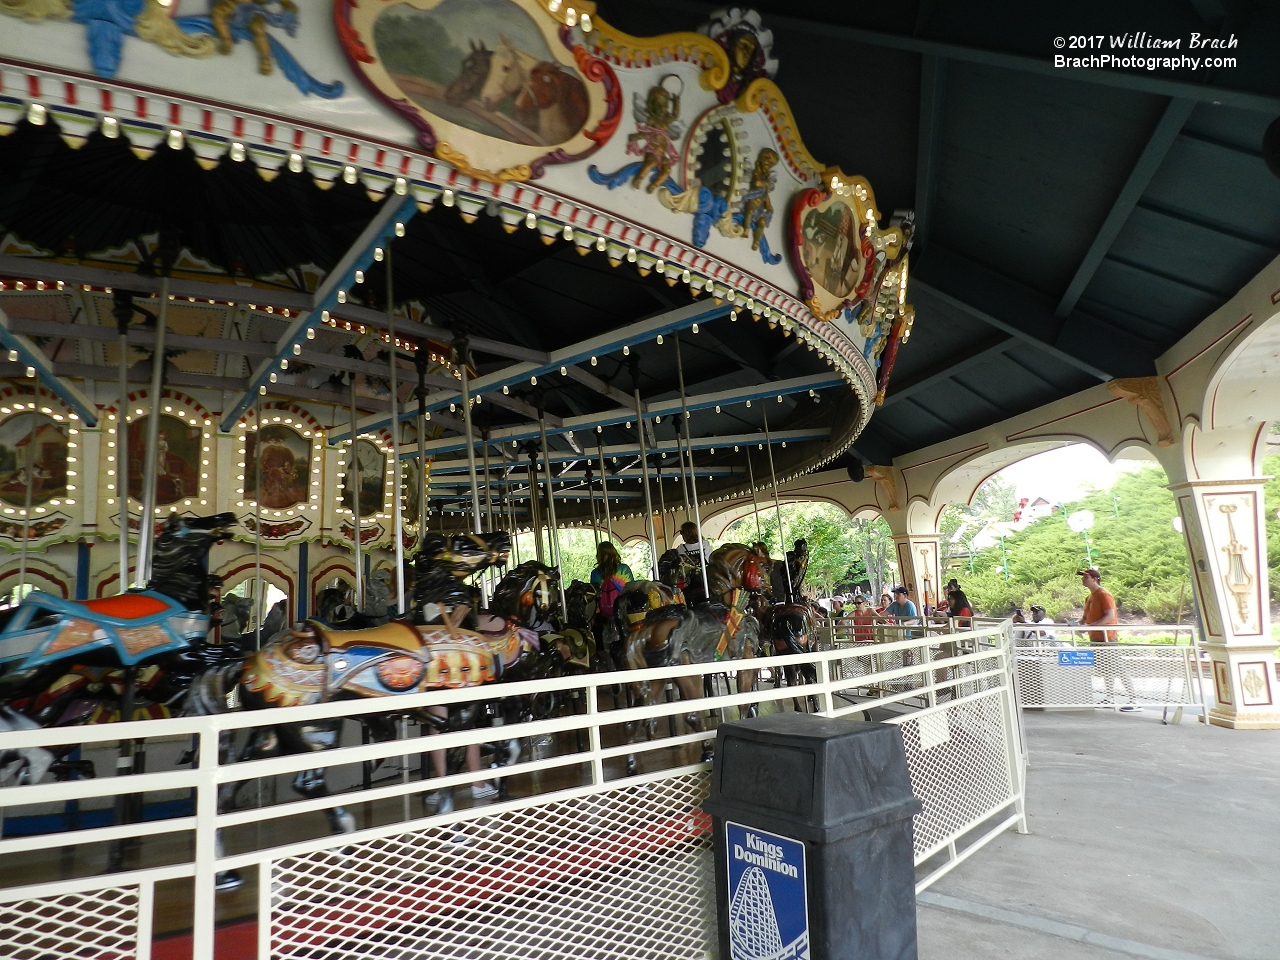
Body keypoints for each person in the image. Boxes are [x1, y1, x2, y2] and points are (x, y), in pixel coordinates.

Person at [1079, 567, 1138, 710]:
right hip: (1096, 638)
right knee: (1106, 669)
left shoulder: (1103, 594)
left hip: (1107, 638)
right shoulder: (1090, 597)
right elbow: (1085, 617)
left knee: (1117, 667)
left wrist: (1092, 626)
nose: (1083, 579)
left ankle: (1134, 700)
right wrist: (1078, 625)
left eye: (1085, 577)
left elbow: (1110, 615)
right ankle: (1110, 697)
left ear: (1094, 579)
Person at [590, 542, 634, 620]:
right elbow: (631, 589)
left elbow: (594, 596)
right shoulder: (624, 569)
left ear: (599, 556)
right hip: (624, 610)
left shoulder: (595, 573)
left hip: (604, 613)